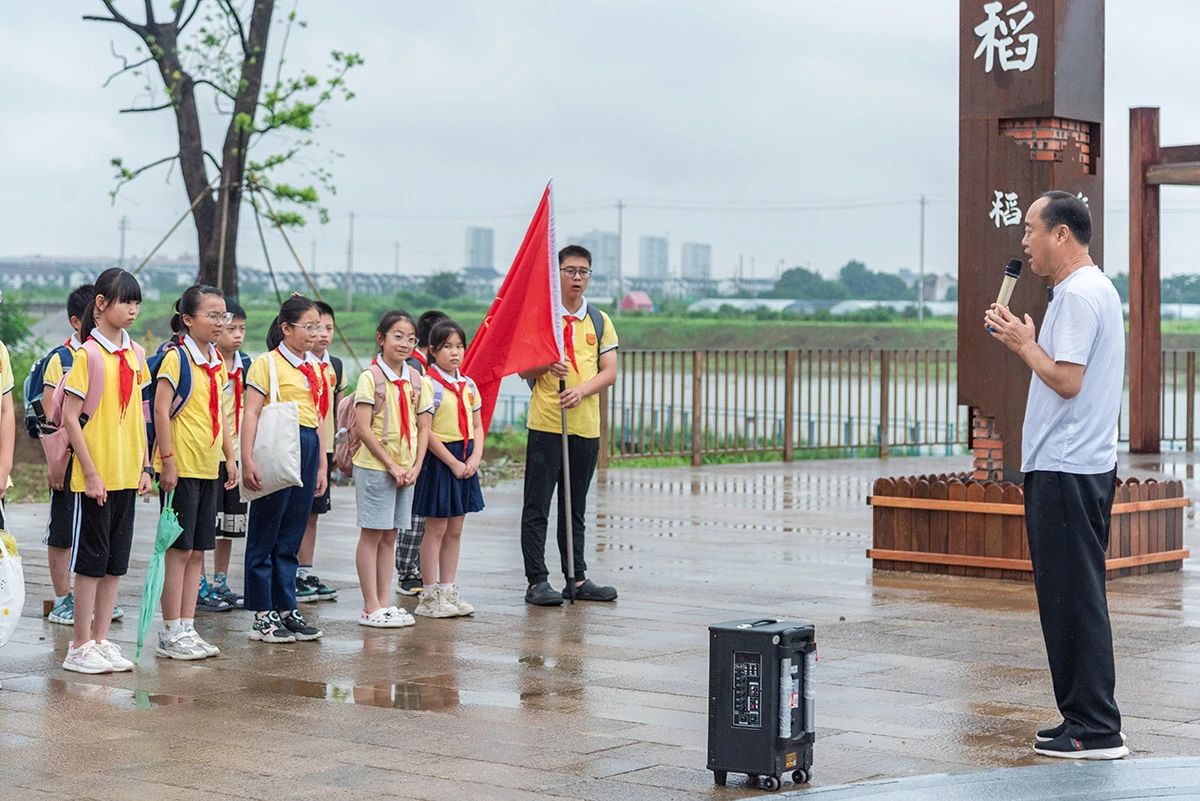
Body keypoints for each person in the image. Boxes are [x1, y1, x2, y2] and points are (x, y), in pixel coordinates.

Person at [984, 190, 1128, 760]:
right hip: (1079, 465)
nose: (1024, 240)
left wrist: (1024, 343)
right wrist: (1030, 342)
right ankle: (1085, 719)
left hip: (1067, 467)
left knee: (1073, 598)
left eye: (1030, 229)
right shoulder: (1094, 289)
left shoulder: (1077, 294)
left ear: (1061, 233)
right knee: (1073, 595)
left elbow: (1066, 379)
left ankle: (1093, 728)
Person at [58, 267, 153, 673]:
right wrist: (91, 472)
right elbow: (69, 415)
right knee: (90, 563)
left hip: (127, 474)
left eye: (136, 302)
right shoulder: (88, 355)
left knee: (116, 562)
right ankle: (79, 645)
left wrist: (146, 465)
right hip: (96, 475)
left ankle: (101, 639)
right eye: (125, 301)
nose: (132, 310)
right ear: (101, 304)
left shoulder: (136, 354)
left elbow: (140, 414)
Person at [518, 245, 619, 606]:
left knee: (574, 506)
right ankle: (537, 580)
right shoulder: (542, 318)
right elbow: (523, 369)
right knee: (538, 504)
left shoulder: (599, 319)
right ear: (556, 273)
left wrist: (581, 390)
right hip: (547, 422)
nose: (577, 278)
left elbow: (609, 372)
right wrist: (546, 364)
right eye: (569, 270)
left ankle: (576, 577)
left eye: (583, 272)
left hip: (585, 425)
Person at [152, 285, 238, 660]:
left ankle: (188, 626)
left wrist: (229, 458)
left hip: (208, 467)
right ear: (188, 320)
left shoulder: (216, 361)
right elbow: (160, 410)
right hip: (182, 467)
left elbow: (220, 414)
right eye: (212, 316)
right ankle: (171, 630)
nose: (220, 323)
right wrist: (167, 460)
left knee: (199, 551)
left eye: (224, 316)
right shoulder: (176, 357)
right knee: (178, 551)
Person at [241, 294, 327, 644]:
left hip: (306, 444)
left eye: (318, 326)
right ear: (286, 328)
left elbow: (319, 416)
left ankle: (287, 606)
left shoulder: (317, 366)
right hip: (277, 447)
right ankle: (263, 613)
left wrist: (322, 463)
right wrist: (246, 458)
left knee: (292, 532)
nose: (314, 333)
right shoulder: (267, 364)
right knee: (266, 531)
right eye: (308, 327)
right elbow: (251, 412)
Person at [41, 285, 125, 625]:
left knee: (96, 536)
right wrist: (57, 464)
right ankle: (64, 597)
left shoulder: (117, 354)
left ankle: (90, 598)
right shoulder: (61, 360)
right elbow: (53, 418)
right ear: (78, 320)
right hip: (71, 461)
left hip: (101, 458)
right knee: (62, 530)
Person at [352, 310, 430, 627]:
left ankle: (385, 602)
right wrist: (392, 465)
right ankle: (370, 605)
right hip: (375, 467)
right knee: (372, 534)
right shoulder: (371, 378)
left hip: (406, 469)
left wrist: (414, 467)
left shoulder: (416, 379)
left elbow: (424, 427)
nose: (405, 343)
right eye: (397, 336)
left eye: (411, 338)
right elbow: (363, 428)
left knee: (391, 535)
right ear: (381, 338)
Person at [410, 319, 483, 618]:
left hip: (465, 456)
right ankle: (429, 593)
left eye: (459, 346)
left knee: (456, 527)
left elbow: (478, 424)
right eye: (446, 347)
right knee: (436, 527)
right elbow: (424, 430)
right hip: (440, 460)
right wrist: (452, 461)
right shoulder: (428, 384)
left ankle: (449, 588)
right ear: (432, 351)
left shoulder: (468, 384)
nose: (454, 353)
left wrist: (475, 458)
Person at [395, 309, 447, 596]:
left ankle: (413, 568)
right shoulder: (415, 368)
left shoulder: (424, 367)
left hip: (425, 447)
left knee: (421, 514)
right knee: (415, 515)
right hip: (416, 449)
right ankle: (407, 571)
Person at [203, 299, 250, 608]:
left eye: (241, 329)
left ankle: (221, 579)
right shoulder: (209, 363)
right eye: (230, 328)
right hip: (210, 453)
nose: (236, 335)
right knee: (206, 523)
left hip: (235, 453)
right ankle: (200, 582)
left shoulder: (247, 364)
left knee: (230, 525)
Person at [295, 300, 341, 603]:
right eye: (315, 327)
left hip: (324, 447)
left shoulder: (334, 366)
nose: (322, 333)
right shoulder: (296, 363)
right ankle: (290, 572)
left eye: (328, 327)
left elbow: (336, 408)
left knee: (313, 513)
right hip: (298, 443)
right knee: (295, 512)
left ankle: (304, 571)